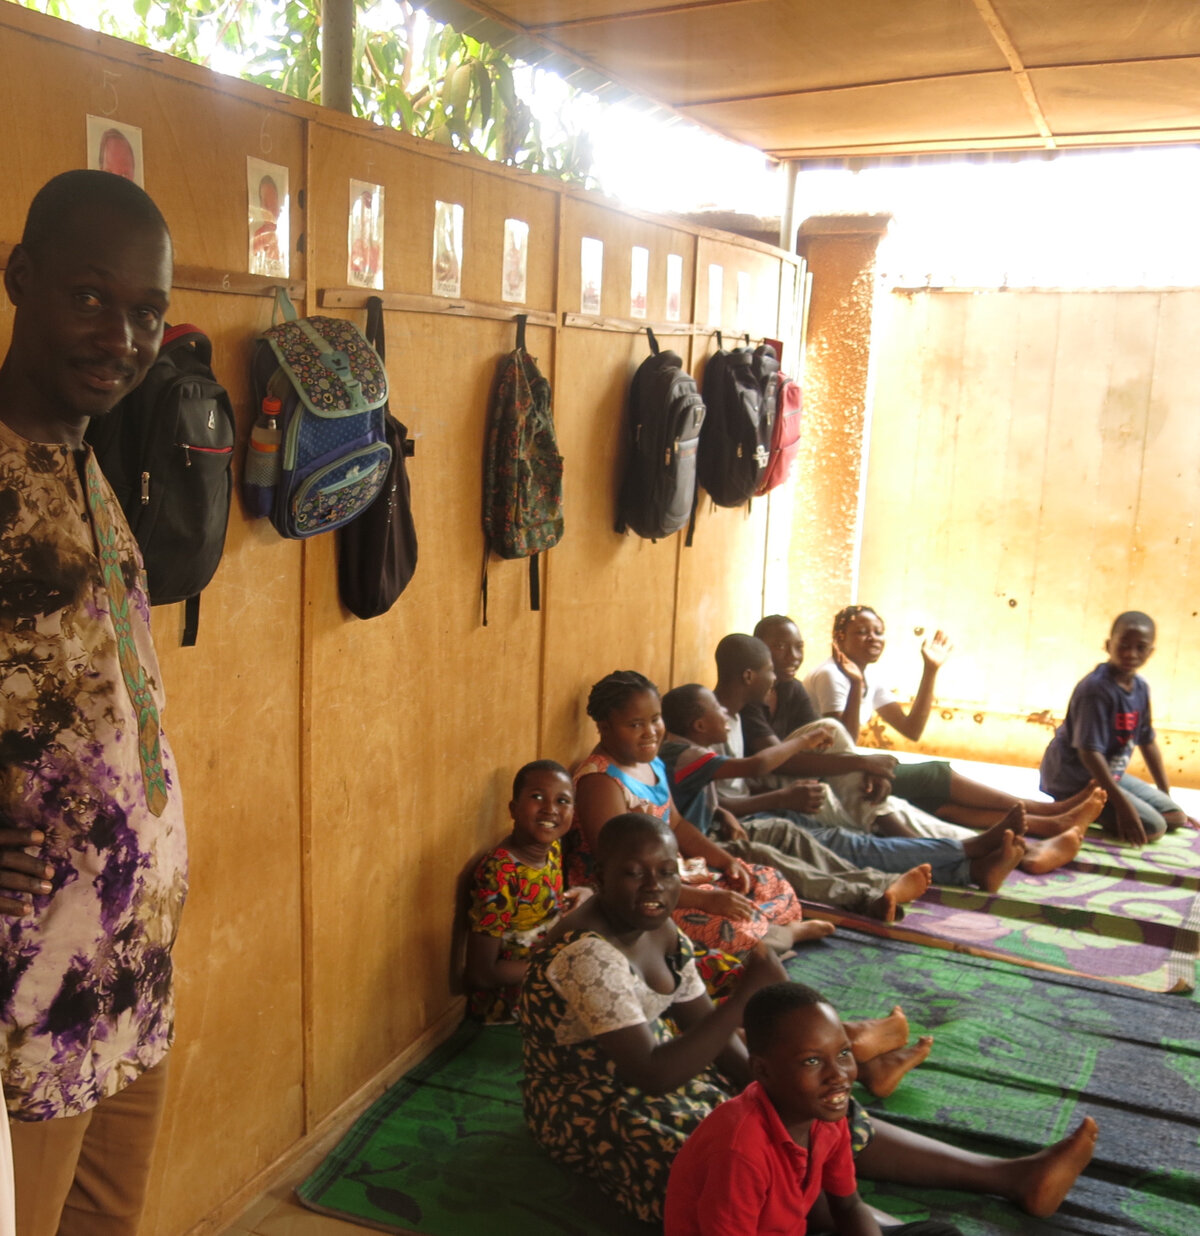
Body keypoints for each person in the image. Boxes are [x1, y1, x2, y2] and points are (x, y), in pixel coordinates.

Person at [523, 816, 1098, 1224]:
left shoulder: (661, 928)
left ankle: (1008, 1176)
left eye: (667, 872)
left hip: (670, 1071)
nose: (655, 888)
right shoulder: (585, 954)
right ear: (600, 874)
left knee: (809, 1102)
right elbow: (650, 1074)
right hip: (596, 1103)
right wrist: (747, 995)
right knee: (712, 1160)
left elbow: (706, 1028)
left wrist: (779, 1091)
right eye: (633, 874)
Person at [0, 170, 187, 1236]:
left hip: (135, 941)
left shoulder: (85, 458)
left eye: (148, 311)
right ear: (20, 278)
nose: (121, 334)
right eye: (89, 296)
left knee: (107, 1219)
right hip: (29, 972)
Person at [717, 635, 1082, 886]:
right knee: (875, 819)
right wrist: (858, 763)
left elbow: (906, 730)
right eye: (776, 650)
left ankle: (1008, 843)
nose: (793, 655)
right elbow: (768, 766)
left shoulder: (782, 692)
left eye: (798, 645)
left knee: (894, 800)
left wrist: (924, 672)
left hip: (804, 786)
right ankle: (985, 854)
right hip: (772, 801)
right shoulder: (736, 713)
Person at [567, 672, 829, 979]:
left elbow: (676, 825)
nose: (650, 732)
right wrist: (705, 899)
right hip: (634, 896)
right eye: (635, 724)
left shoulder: (651, 762)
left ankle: (772, 936)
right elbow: (619, 873)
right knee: (732, 931)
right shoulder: (600, 781)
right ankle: (783, 936)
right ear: (604, 727)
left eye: (655, 719)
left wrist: (726, 861)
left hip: (672, 877)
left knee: (768, 880)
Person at [664, 981, 963, 1236]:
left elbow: (848, 1205)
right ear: (763, 1070)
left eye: (844, 1053)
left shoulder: (826, 1117)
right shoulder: (739, 1151)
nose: (839, 1076)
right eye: (812, 1061)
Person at [791, 611, 1105, 837]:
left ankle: (1047, 823)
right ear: (839, 639)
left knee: (937, 801)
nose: (872, 638)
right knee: (934, 774)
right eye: (861, 632)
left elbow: (911, 729)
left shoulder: (866, 674)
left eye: (878, 631)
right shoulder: (834, 676)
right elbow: (837, 744)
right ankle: (1048, 811)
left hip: (851, 766)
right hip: (831, 775)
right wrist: (856, 688)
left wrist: (930, 670)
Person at [660, 684, 934, 924]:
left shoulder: (692, 753)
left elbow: (687, 801)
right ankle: (866, 897)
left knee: (783, 830)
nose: (723, 712)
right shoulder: (683, 754)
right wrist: (805, 740)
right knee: (762, 855)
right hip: (696, 850)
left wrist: (721, 813)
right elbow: (757, 766)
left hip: (712, 831)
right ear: (699, 726)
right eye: (716, 709)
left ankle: (882, 882)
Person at [1040, 612, 1195, 846]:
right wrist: (1124, 808)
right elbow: (1089, 754)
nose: (1130, 654)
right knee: (1153, 827)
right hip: (1074, 777)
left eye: (1140, 647)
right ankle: (1069, 806)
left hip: (1108, 774)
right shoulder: (1096, 690)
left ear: (1150, 652)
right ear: (1108, 645)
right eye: (1123, 645)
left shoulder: (1140, 688)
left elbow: (1147, 741)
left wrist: (1165, 793)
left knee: (1175, 817)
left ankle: (1104, 801)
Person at [464, 760, 589, 1023]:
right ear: (513, 808)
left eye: (563, 801)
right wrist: (559, 968)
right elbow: (482, 972)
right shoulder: (500, 872)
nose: (550, 809)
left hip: (549, 967)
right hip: (512, 1000)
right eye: (537, 797)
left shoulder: (552, 849)